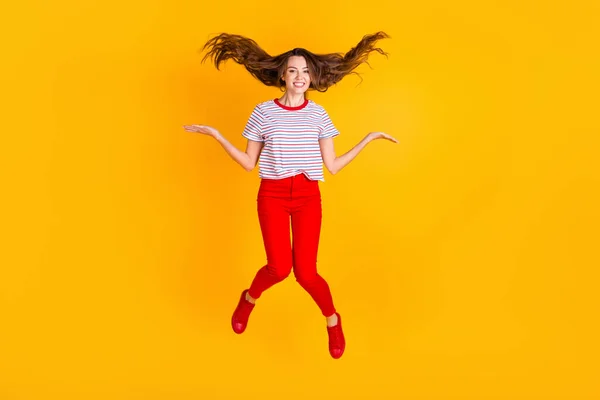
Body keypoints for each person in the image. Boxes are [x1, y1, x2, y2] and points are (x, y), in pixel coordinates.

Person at [183, 32, 397, 359]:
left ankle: (332, 320)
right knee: (279, 269)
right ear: (282, 74)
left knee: (306, 273)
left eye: (306, 72)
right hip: (273, 193)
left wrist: (367, 139)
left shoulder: (318, 115)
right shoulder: (263, 113)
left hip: (308, 195)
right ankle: (249, 299)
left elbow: (334, 166)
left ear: (313, 77)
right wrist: (216, 135)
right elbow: (247, 162)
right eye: (294, 70)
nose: (300, 77)